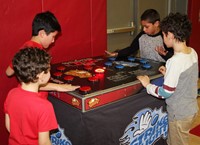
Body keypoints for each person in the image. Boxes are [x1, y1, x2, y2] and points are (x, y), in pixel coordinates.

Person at [137, 12, 199, 145]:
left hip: (179, 114)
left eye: (163, 34)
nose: (163, 37)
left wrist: (148, 85)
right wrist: (169, 73)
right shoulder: (192, 52)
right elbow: (185, 78)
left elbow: (165, 92)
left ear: (169, 35)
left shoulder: (175, 61)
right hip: (190, 109)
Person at [5, 11, 80, 97]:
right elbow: (36, 83)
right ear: (42, 34)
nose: (53, 41)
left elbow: (8, 72)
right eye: (53, 37)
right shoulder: (37, 52)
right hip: (35, 100)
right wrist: (60, 86)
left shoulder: (25, 48)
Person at [4, 48, 58, 145]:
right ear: (41, 75)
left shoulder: (11, 93)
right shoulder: (45, 106)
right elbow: (44, 142)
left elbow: (9, 126)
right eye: (49, 70)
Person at [105, 9, 173, 62]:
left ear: (156, 23)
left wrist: (165, 54)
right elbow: (132, 48)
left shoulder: (165, 36)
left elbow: (174, 57)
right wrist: (117, 54)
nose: (144, 30)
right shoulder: (142, 35)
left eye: (147, 27)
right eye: (143, 26)